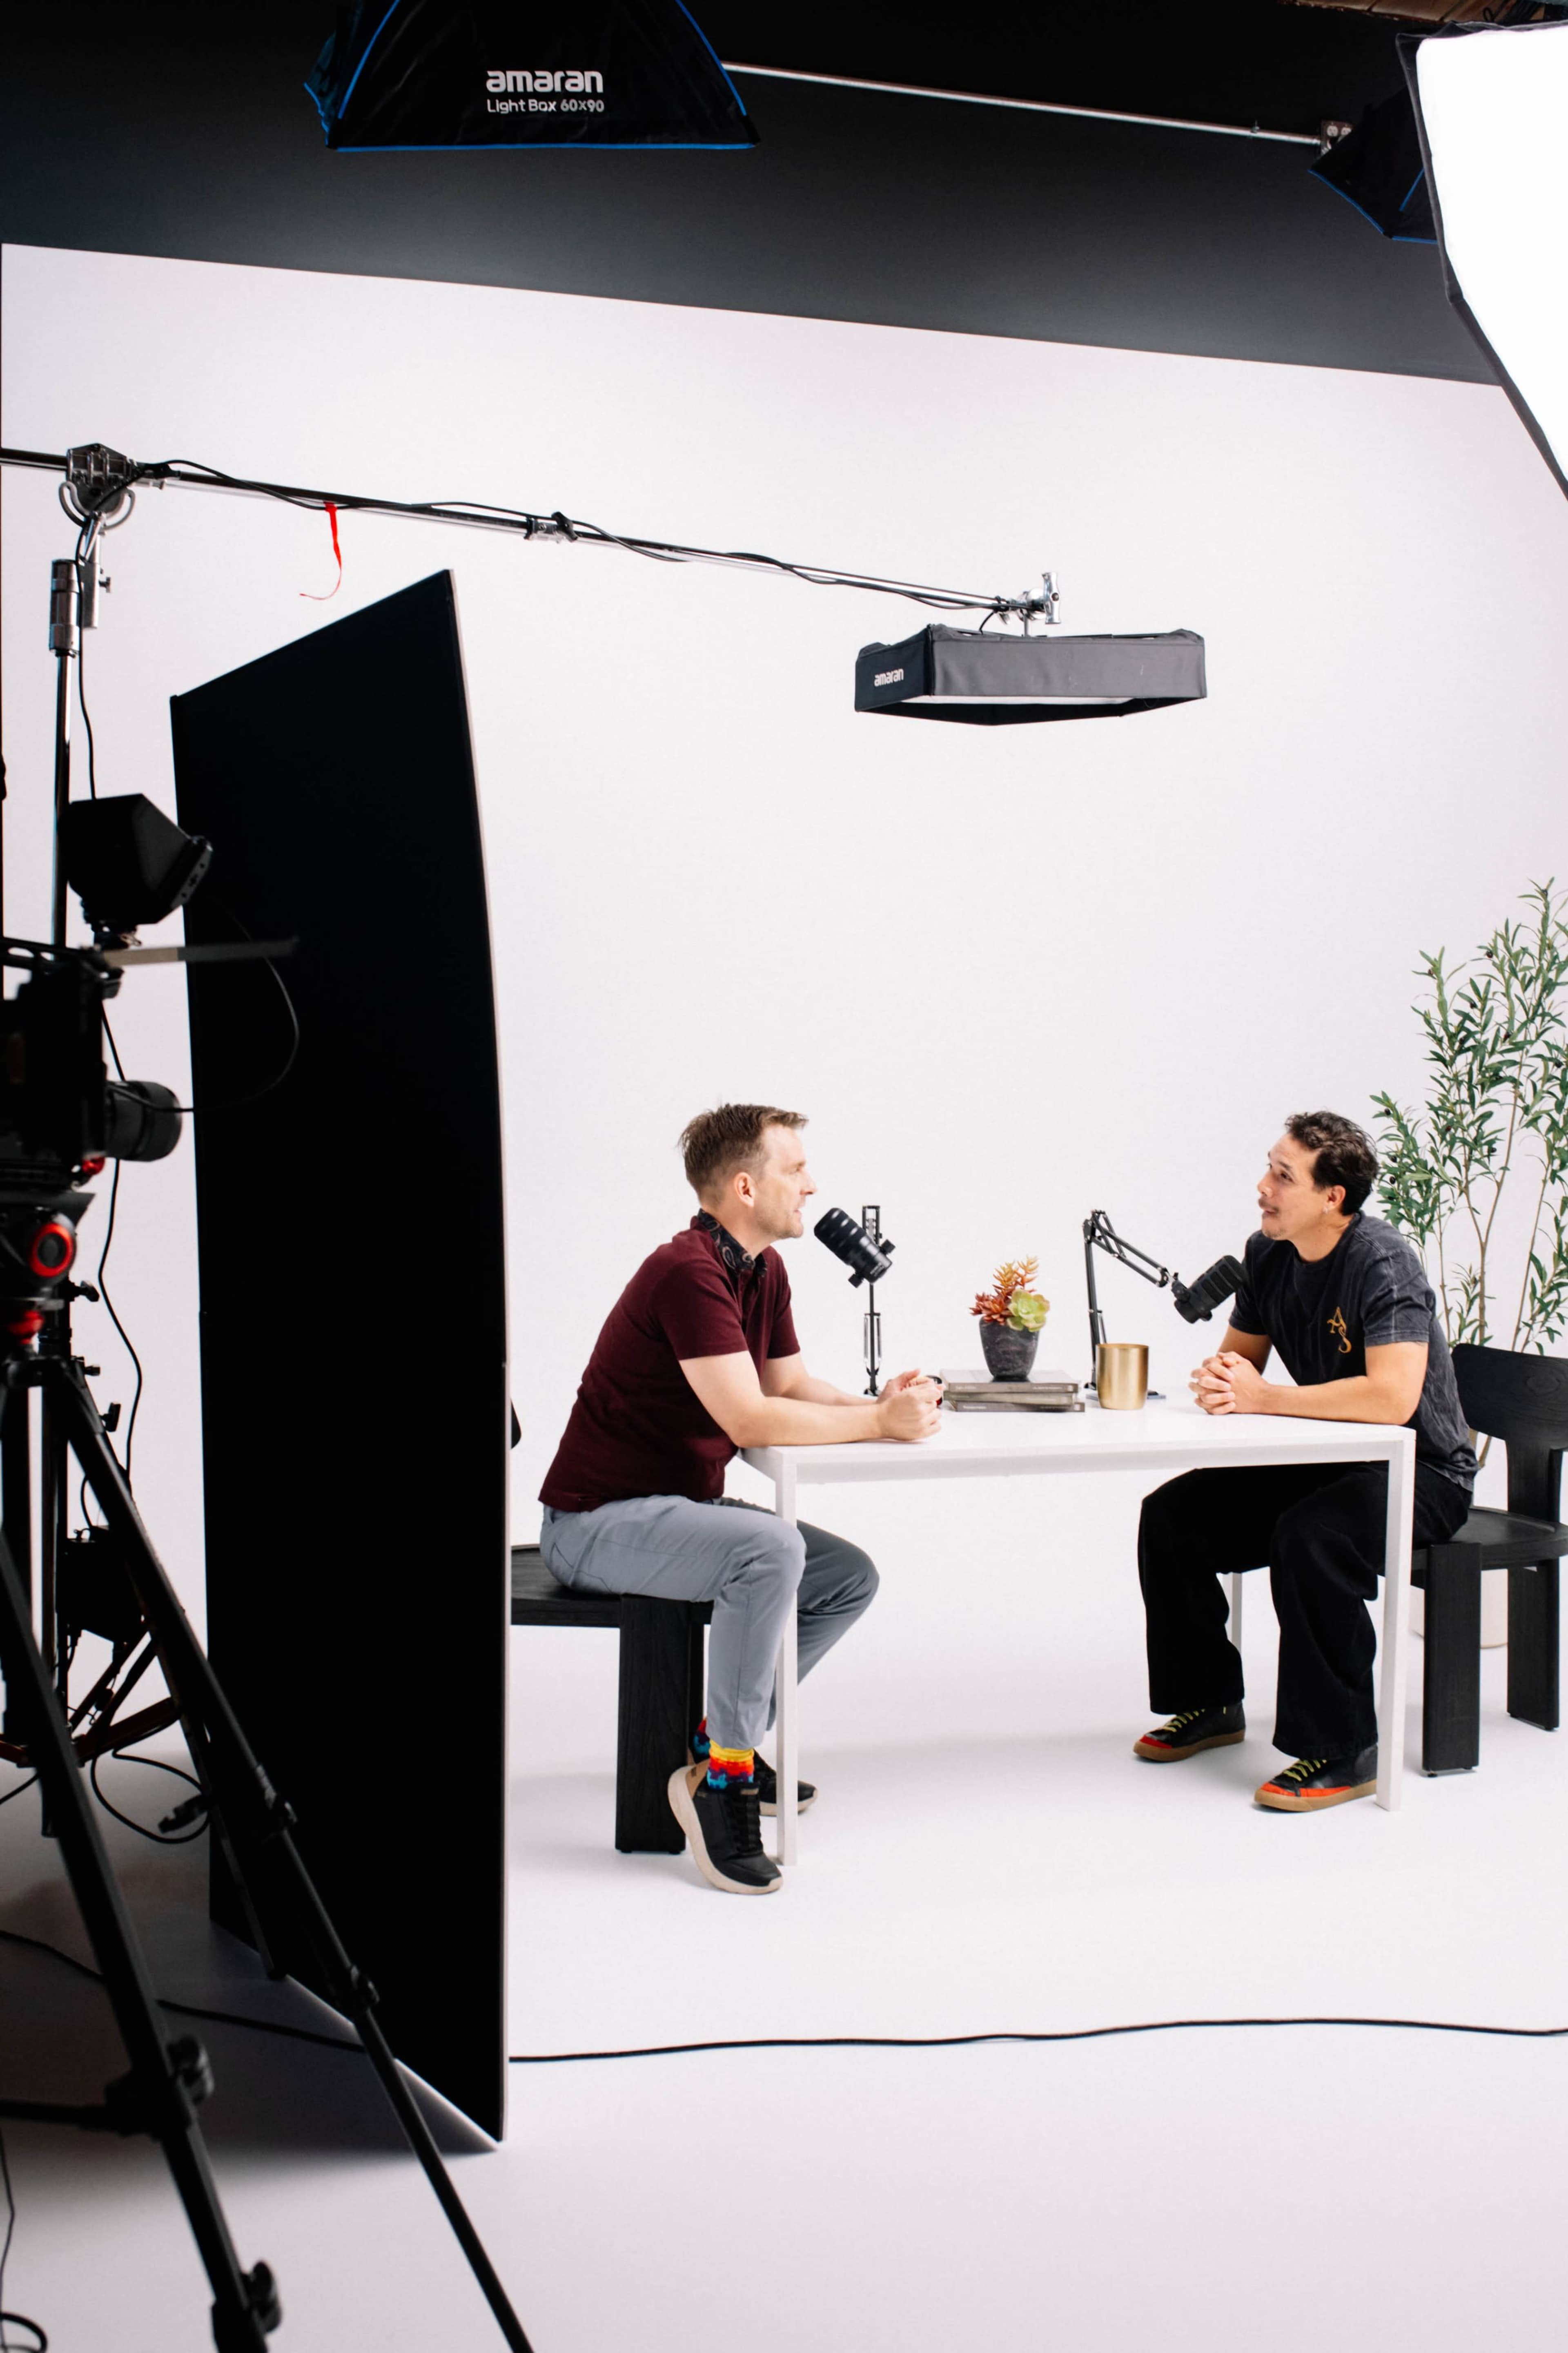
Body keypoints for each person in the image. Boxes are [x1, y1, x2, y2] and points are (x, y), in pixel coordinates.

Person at [538, 1103, 941, 1894]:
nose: (813, 1183)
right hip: (594, 1522)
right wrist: (874, 1424)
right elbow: (749, 1416)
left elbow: (787, 1385)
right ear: (747, 1186)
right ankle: (722, 1782)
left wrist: (879, 1406)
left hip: (675, 1510)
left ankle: (720, 1737)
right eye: (797, 1169)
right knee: (773, 1550)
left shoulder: (763, 1270)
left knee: (843, 1576)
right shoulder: (687, 1272)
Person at [1134, 1111, 1476, 1813]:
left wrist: (1263, 1397)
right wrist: (1224, 1380)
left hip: (1421, 1474)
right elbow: (1244, 1363)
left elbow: (1392, 1397)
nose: (1263, 1187)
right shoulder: (1268, 1254)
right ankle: (1210, 1704)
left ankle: (1345, 1750)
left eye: (1283, 1176)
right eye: (1269, 1167)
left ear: (1333, 1198)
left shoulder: (1383, 1261)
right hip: (1328, 1457)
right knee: (1174, 1515)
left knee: (1311, 1535)